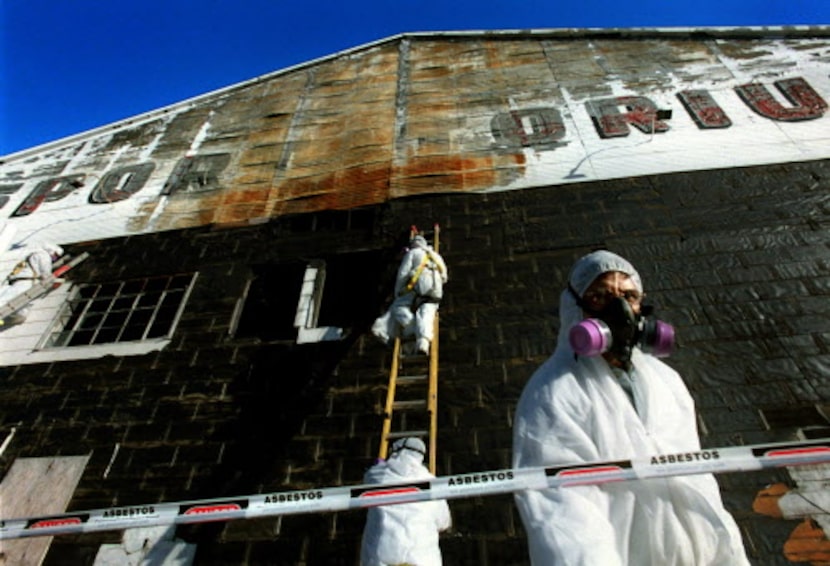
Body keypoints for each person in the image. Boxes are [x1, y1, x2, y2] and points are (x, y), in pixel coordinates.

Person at [512, 249, 749, 565]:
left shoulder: (668, 382)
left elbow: (699, 480)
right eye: (599, 297)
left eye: (629, 296)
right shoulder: (553, 394)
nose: (620, 309)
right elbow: (564, 513)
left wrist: (730, 555)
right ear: (574, 309)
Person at [360, 437, 452, 566]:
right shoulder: (431, 483)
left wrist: (378, 467)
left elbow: (367, 481)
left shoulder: (377, 476)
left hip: (380, 560)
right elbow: (443, 523)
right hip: (423, 561)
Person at [372, 235, 448, 355]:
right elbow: (444, 275)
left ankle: (412, 329)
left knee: (398, 308)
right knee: (426, 312)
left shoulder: (412, 253)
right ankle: (423, 343)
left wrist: (398, 292)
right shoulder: (435, 255)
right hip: (436, 287)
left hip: (421, 284)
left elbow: (403, 273)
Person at [0, 243, 64, 326]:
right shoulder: (43, 255)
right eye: (56, 255)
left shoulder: (34, 254)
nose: (55, 258)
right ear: (52, 251)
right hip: (26, 281)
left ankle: (6, 319)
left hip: (25, 281)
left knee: (21, 310)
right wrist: (53, 280)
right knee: (11, 298)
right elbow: (46, 273)